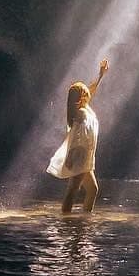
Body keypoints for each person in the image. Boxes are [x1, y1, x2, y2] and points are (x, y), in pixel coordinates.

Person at [47, 58, 108, 213]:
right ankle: (66, 221)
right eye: (85, 92)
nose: (88, 92)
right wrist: (70, 157)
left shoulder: (83, 108)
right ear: (82, 97)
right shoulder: (81, 113)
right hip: (80, 154)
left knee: (91, 189)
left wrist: (100, 76)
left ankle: (82, 219)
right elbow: (76, 136)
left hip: (85, 154)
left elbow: (91, 91)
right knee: (74, 189)